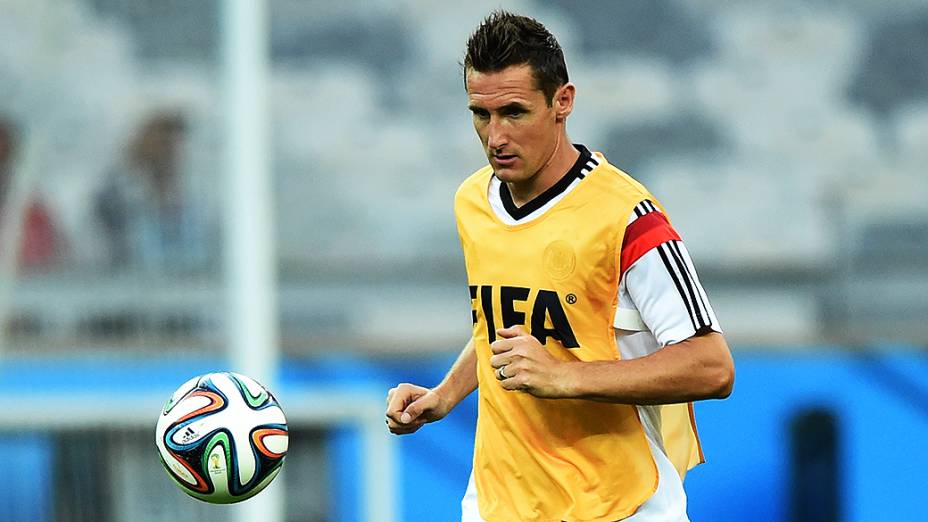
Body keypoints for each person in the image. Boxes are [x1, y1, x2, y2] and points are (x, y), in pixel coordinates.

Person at [385, 11, 734, 522]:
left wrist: (566, 378)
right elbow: (502, 326)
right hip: (499, 500)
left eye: (514, 112)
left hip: (617, 504)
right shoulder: (473, 201)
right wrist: (445, 394)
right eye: (481, 114)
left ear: (562, 102)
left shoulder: (627, 216)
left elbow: (712, 365)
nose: (495, 137)